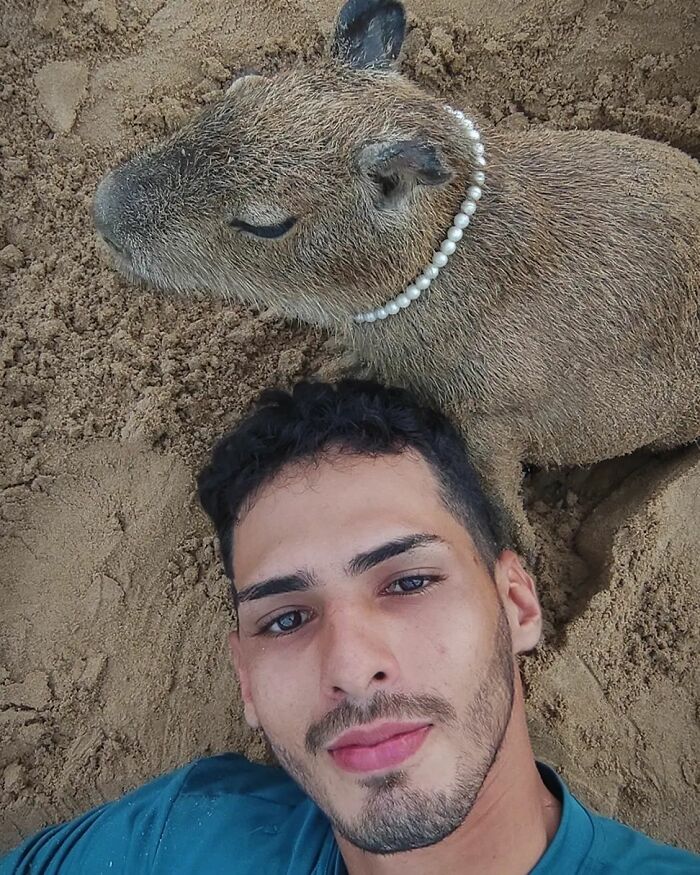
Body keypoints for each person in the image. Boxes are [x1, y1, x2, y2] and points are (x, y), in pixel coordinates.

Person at [1, 380, 698, 875]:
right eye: (287, 617)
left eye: (408, 580)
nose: (351, 663)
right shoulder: (175, 839)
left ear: (517, 603)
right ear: (245, 678)